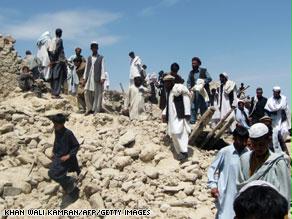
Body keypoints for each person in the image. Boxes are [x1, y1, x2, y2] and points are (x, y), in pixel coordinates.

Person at [238, 123, 292, 203]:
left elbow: (285, 192)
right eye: (254, 144)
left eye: (261, 144)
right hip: (250, 207)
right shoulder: (244, 159)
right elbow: (241, 185)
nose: (258, 148)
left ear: (269, 140)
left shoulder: (278, 162)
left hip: (271, 209)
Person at [207, 127, 249, 219]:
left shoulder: (249, 153)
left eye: (245, 140)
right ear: (234, 138)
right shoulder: (225, 152)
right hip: (226, 192)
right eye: (240, 140)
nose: (244, 143)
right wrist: (213, 186)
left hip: (243, 193)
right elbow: (212, 169)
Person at [48, 114, 80, 205]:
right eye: (54, 124)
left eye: (56, 124)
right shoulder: (57, 131)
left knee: (57, 175)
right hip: (59, 157)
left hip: (68, 159)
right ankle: (69, 182)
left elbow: (76, 145)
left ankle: (73, 191)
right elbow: (56, 141)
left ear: (62, 124)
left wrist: (68, 156)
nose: (54, 126)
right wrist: (53, 151)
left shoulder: (68, 133)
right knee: (52, 173)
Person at [162, 74, 191, 161]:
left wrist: (187, 113)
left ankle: (184, 152)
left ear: (172, 82)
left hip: (180, 115)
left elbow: (186, 100)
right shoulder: (170, 92)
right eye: (165, 83)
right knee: (174, 133)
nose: (166, 85)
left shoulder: (179, 89)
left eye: (168, 82)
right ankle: (180, 152)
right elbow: (168, 104)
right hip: (172, 117)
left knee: (181, 133)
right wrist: (164, 113)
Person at [82, 41, 106, 115]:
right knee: (86, 92)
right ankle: (89, 108)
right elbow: (86, 69)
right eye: (92, 47)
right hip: (89, 78)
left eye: (95, 46)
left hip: (97, 77)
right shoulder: (88, 58)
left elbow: (103, 68)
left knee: (97, 94)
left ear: (97, 48)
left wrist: (102, 77)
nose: (94, 48)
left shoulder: (101, 57)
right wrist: (84, 78)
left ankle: (96, 109)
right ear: (91, 48)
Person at [187, 57, 212, 123]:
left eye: (194, 63)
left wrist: (203, 82)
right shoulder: (191, 73)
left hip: (202, 92)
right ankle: (192, 121)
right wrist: (189, 88)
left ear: (198, 64)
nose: (193, 65)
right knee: (193, 107)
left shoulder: (204, 70)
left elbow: (209, 78)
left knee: (203, 107)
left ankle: (204, 122)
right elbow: (188, 82)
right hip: (194, 92)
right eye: (192, 63)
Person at [48, 28, 67, 99]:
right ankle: (56, 93)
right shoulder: (60, 40)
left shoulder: (52, 40)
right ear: (60, 33)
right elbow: (57, 50)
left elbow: (49, 50)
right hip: (59, 61)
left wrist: (51, 60)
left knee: (53, 76)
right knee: (58, 77)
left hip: (53, 61)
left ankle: (53, 92)